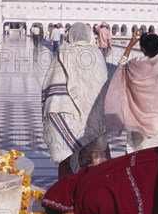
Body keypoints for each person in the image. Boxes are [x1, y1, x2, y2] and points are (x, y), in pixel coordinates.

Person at [41, 22, 109, 177]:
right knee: (94, 159)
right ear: (89, 36)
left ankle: (66, 195)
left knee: (68, 156)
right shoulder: (96, 54)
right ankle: (89, 194)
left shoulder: (63, 53)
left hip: (67, 113)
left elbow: (50, 83)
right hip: (94, 116)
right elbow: (102, 85)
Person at [105, 29, 158, 155]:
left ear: (142, 49)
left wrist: (130, 45)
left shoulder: (136, 65)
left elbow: (121, 66)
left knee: (141, 157)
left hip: (140, 119)